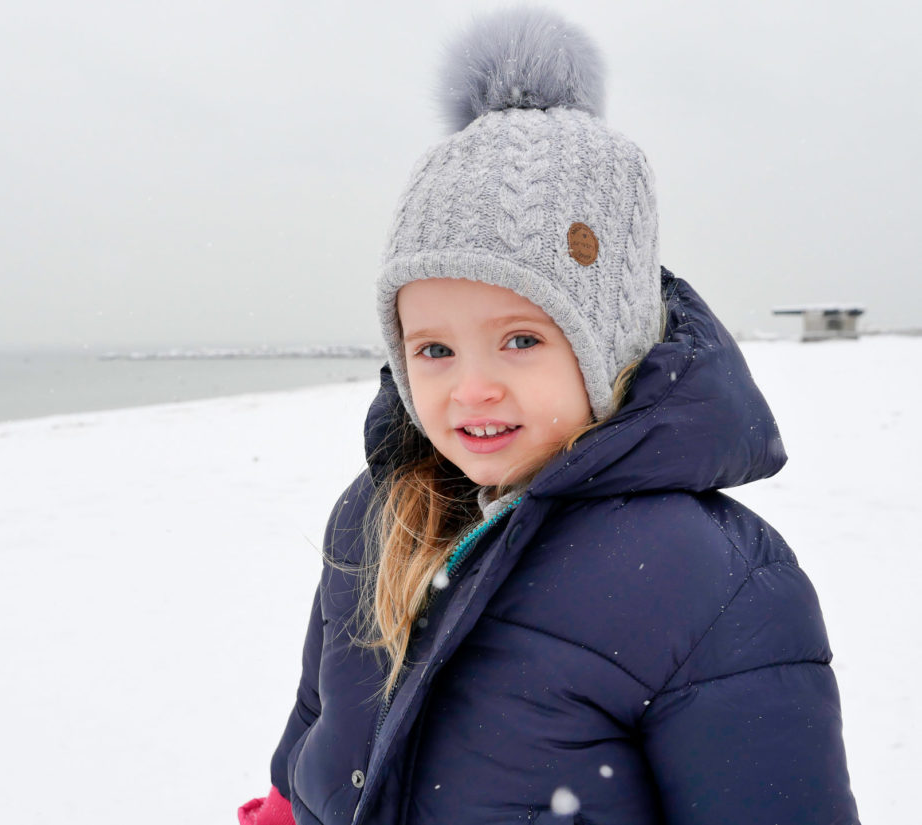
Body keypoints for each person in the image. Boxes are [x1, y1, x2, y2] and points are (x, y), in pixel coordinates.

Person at [240, 8, 860, 825]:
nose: (472, 388)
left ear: (609, 344)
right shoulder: (374, 518)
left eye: (521, 339)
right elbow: (316, 735)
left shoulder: (713, 582)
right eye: (433, 350)